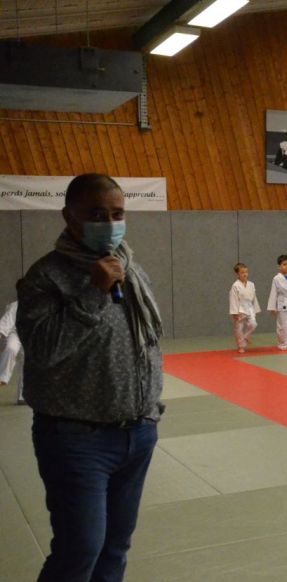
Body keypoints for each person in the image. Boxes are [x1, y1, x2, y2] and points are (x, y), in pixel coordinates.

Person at [17, 172, 164, 582]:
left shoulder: (131, 271)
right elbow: (43, 350)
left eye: (117, 213)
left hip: (137, 432)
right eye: (97, 214)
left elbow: (147, 344)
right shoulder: (47, 276)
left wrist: (150, 408)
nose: (110, 222)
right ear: (69, 216)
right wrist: (92, 293)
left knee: (115, 548)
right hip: (76, 438)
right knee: (80, 548)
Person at [228, 263, 261, 354]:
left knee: (253, 324)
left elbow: (254, 297)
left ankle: (246, 336)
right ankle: (241, 346)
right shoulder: (235, 286)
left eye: (246, 272)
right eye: (242, 272)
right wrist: (235, 313)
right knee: (239, 328)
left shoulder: (251, 284)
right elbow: (233, 299)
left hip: (250, 307)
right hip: (239, 308)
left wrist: (256, 309)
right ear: (237, 274)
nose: (245, 274)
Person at [0, 300, 22, 402]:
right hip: (15, 333)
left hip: (33, 336)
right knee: (10, 348)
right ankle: (2, 378)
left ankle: (23, 397)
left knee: (27, 364)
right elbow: (4, 324)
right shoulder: (15, 305)